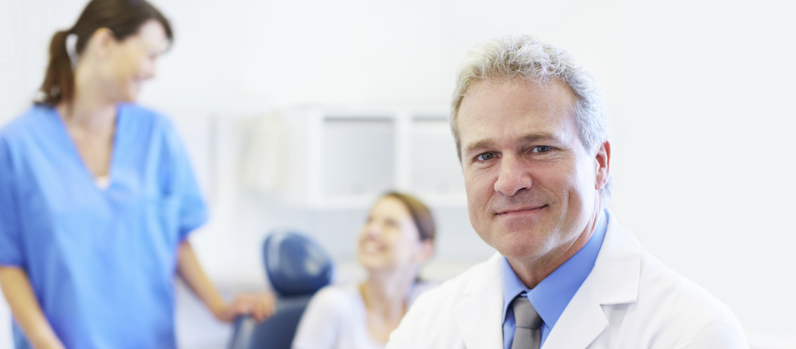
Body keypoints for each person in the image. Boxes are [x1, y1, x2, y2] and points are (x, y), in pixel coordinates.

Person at [386, 35, 749, 349]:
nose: (509, 181)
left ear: (600, 163)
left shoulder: (692, 333)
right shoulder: (426, 326)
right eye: (485, 156)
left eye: (540, 148)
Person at [0, 1, 274, 348]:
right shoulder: (17, 145)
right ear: (104, 43)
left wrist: (218, 306)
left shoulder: (158, 135)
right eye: (150, 55)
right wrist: (44, 341)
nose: (154, 71)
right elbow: (7, 261)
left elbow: (174, 238)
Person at [292, 192, 436, 349]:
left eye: (391, 224)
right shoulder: (332, 304)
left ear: (424, 251)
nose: (372, 231)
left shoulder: (433, 307)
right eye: (369, 220)